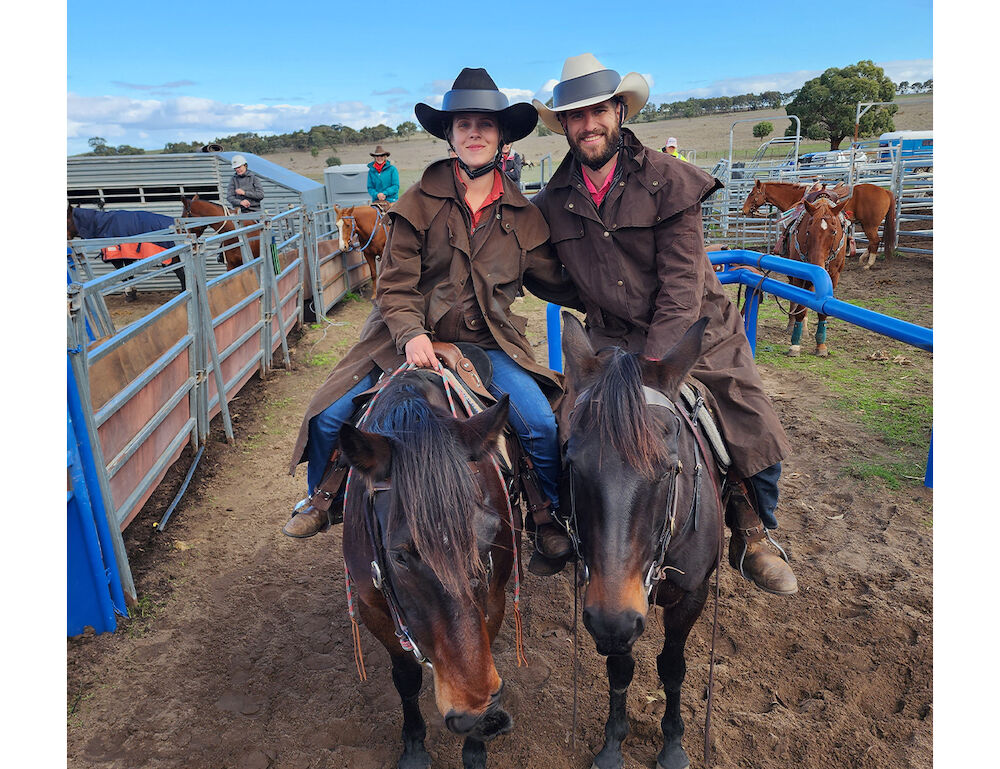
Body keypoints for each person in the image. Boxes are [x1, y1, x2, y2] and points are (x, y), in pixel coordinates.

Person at [283, 67, 578, 572]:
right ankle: (324, 500)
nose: (475, 134)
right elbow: (393, 285)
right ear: (450, 134)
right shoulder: (415, 203)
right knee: (330, 414)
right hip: (404, 339)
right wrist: (412, 333)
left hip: (488, 345)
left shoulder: (525, 216)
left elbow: (558, 278)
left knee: (540, 423)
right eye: (464, 124)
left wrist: (615, 297)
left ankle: (546, 515)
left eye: (486, 124)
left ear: (501, 135)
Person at [529, 53, 797, 594]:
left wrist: (656, 367)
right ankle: (567, 523)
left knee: (748, 418)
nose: (588, 125)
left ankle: (750, 526)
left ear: (619, 111)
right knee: (568, 427)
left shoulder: (670, 181)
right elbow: (541, 271)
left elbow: (681, 283)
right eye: (575, 116)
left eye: (597, 111)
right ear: (563, 125)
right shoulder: (553, 201)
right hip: (608, 338)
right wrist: (586, 295)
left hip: (696, 327)